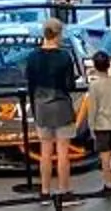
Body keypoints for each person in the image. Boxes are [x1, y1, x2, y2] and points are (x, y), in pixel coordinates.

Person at [22, 20, 78, 196]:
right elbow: (70, 85)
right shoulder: (64, 56)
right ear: (59, 34)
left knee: (45, 152)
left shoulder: (32, 56)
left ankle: (45, 191)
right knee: (62, 152)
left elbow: (30, 84)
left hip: (41, 106)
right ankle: (64, 190)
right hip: (61, 106)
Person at [81, 47, 111, 194]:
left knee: (105, 156)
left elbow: (92, 108)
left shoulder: (93, 86)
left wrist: (91, 125)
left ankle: (108, 184)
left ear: (94, 66)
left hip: (101, 125)